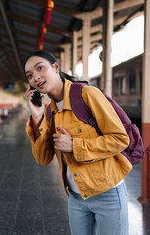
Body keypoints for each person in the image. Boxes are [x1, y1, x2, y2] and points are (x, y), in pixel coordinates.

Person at [24, 50, 132, 235]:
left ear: (56, 67)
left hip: (108, 195)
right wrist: (37, 118)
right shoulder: (50, 112)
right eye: (30, 76)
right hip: (76, 198)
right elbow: (43, 158)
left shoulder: (87, 94)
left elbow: (120, 139)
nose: (36, 77)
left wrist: (75, 145)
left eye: (40, 68)